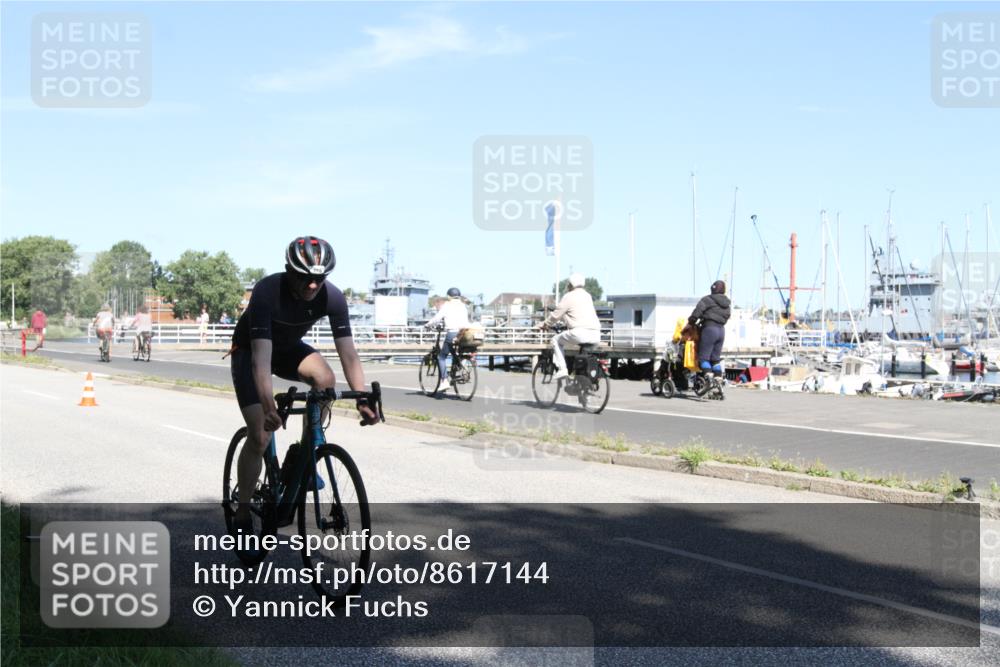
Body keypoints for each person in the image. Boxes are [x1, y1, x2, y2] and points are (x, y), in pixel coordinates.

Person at [229, 235, 379, 532]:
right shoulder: (266, 292)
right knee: (260, 435)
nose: (313, 285)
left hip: (286, 348)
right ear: (289, 270)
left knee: (325, 378)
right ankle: (243, 511)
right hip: (250, 351)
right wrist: (269, 405)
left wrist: (362, 397)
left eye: (319, 278)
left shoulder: (332, 297)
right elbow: (261, 358)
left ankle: (303, 452)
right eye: (305, 278)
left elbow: (347, 352)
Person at [538, 273, 601, 379]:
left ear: (571, 284)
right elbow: (577, 314)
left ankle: (563, 369)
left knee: (555, 340)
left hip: (580, 333)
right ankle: (582, 383)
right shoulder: (588, 296)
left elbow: (556, 315)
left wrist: (545, 324)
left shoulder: (569, 296)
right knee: (582, 357)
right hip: (596, 334)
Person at [424, 287, 470, 391]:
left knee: (441, 357)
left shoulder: (447, 305)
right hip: (464, 333)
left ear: (449, 296)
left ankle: (444, 381)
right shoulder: (463, 306)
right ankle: (462, 364)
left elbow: (437, 318)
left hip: (453, 332)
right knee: (455, 352)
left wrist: (428, 325)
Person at [688, 280, 731, 377]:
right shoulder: (727, 304)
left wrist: (691, 323)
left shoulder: (707, 300)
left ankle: (708, 374)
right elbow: (727, 316)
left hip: (709, 330)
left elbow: (697, 313)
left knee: (703, 358)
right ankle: (718, 378)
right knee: (715, 359)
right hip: (721, 331)